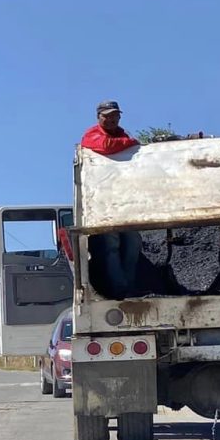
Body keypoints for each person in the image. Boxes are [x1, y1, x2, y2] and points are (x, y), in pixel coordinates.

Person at [77, 101, 141, 297]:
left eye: (115, 115)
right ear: (99, 117)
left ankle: (128, 285)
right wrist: (130, 145)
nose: (112, 119)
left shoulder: (124, 133)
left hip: (127, 200)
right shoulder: (92, 134)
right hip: (102, 202)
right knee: (111, 245)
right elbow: (104, 145)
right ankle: (119, 289)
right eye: (107, 116)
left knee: (133, 242)